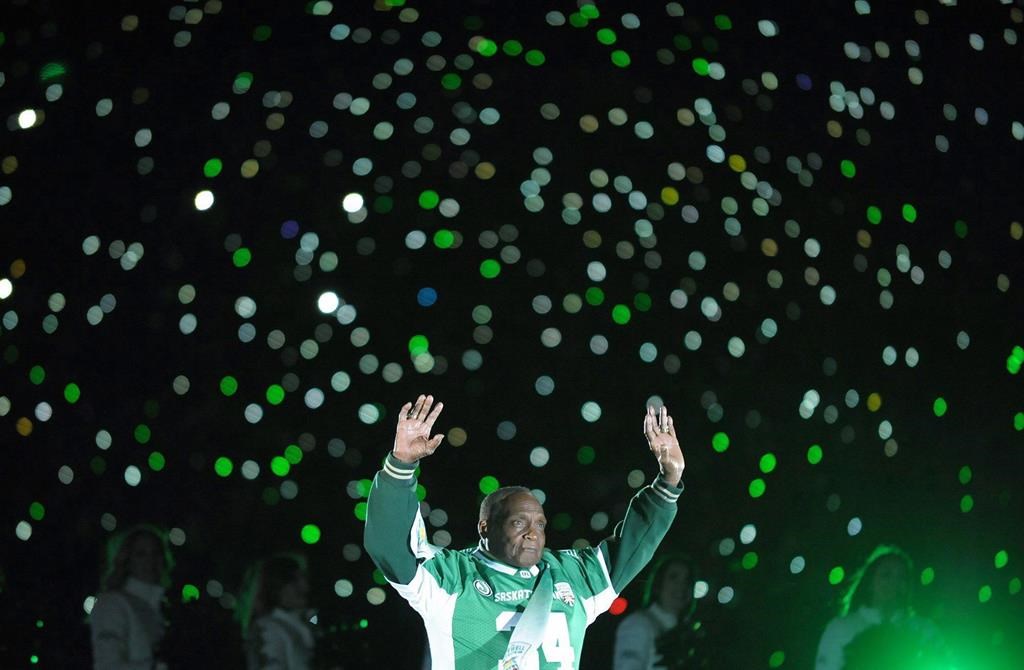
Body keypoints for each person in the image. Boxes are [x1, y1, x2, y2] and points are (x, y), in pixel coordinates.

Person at [364, 394, 685, 669]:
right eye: (518, 522)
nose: (533, 533)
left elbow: (633, 544)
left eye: (540, 524)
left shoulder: (573, 576)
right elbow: (392, 547)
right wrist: (401, 465)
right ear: (485, 527)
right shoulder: (452, 577)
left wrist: (668, 478)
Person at [815, 544, 943, 670]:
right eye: (886, 575)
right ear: (870, 582)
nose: (895, 583)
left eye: (902, 577)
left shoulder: (925, 630)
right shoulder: (841, 628)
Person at [90, 524, 173, 670]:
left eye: (156, 553)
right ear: (125, 560)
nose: (150, 560)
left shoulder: (164, 608)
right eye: (141, 554)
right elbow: (108, 666)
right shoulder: (112, 604)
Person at [612, 554, 700, 670]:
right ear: (658, 584)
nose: (682, 585)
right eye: (674, 577)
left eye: (687, 580)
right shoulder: (638, 624)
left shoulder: (688, 632)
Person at [238, 554, 315, 670]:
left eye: (303, 579)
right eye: (294, 582)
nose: (305, 587)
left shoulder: (298, 624)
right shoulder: (269, 628)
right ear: (277, 587)